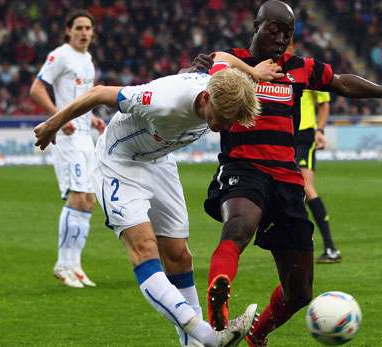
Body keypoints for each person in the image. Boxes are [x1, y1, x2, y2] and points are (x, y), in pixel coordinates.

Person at [186, 1, 382, 345]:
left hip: (287, 179)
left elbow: (341, 82)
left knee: (299, 292)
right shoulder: (232, 63)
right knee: (239, 227)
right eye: (274, 29)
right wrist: (191, 71)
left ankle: (257, 333)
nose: (281, 38)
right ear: (257, 25)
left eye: (288, 33)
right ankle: (218, 305)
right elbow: (192, 85)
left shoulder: (299, 68)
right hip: (244, 167)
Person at [34, 52, 283, 346]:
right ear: (205, 98)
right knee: (144, 248)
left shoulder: (218, 87)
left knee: (179, 256)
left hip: (159, 160)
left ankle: (193, 344)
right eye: (223, 119)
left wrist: (252, 71)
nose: (226, 128)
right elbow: (98, 93)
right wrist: (52, 124)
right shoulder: (161, 100)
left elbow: (220, 57)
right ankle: (209, 338)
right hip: (119, 160)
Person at [30, 10, 107, 289]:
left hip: (86, 136)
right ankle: (63, 264)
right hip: (67, 136)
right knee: (76, 197)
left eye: (88, 28)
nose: (84, 32)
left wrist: (94, 116)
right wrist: (57, 119)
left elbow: (83, 98)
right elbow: (36, 88)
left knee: (88, 199)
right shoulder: (60, 55)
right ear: (68, 31)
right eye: (79, 28)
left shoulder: (87, 60)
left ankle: (75, 265)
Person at [294, 88, 341, 263]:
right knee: (296, 191)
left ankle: (330, 247)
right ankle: (303, 245)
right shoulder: (276, 69)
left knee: (305, 186)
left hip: (304, 135)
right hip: (285, 132)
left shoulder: (309, 71)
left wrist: (319, 130)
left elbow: (324, 103)